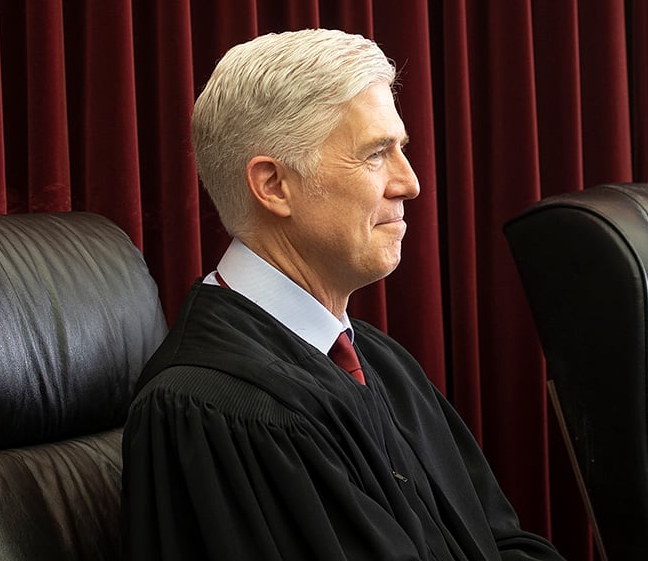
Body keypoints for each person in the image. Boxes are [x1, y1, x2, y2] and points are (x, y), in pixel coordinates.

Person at [121, 29, 564, 560]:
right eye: (376, 154)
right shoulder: (213, 409)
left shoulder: (380, 361)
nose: (410, 183)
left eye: (402, 149)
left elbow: (502, 543)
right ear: (274, 186)